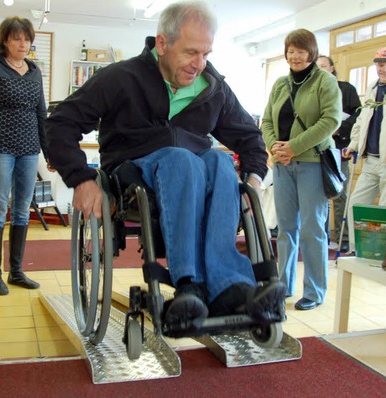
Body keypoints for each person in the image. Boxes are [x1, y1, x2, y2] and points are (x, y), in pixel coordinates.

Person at [45, 1, 285, 331]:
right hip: (133, 171)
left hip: (196, 171)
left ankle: (230, 285)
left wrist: (254, 181)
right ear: (162, 44)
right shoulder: (121, 78)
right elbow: (59, 124)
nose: (199, 64)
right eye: (190, 53)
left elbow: (250, 139)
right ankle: (189, 284)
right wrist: (81, 179)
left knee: (217, 159)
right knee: (181, 159)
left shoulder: (214, 88)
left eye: (206, 54)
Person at [261, 29, 342, 311]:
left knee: (312, 230)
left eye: (300, 50)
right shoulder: (281, 84)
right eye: (290, 51)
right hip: (283, 164)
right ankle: (283, 285)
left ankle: (315, 291)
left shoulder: (325, 81)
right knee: (285, 229)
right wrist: (275, 148)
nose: (294, 56)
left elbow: (330, 121)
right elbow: (267, 122)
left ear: (312, 52)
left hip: (312, 163)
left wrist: (294, 146)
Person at [0, 17, 49, 295]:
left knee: (22, 209)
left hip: (29, 149)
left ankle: (16, 271)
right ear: (5, 40)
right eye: (17, 38)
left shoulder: (34, 71)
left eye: (27, 39)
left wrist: (48, 151)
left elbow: (41, 114)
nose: (23, 44)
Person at [342, 47, 386, 253]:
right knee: (355, 205)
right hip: (370, 159)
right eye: (380, 65)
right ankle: (356, 248)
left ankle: (384, 254)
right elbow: (362, 119)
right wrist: (353, 143)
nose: (384, 69)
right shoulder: (372, 87)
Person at [316, 55, 362, 253]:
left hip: (340, 147)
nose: (321, 69)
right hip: (318, 149)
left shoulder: (346, 89)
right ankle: (322, 235)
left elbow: (359, 115)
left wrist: (338, 128)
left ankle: (343, 237)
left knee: (340, 193)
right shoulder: (313, 90)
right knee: (320, 196)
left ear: (332, 68)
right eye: (317, 67)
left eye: (324, 66)